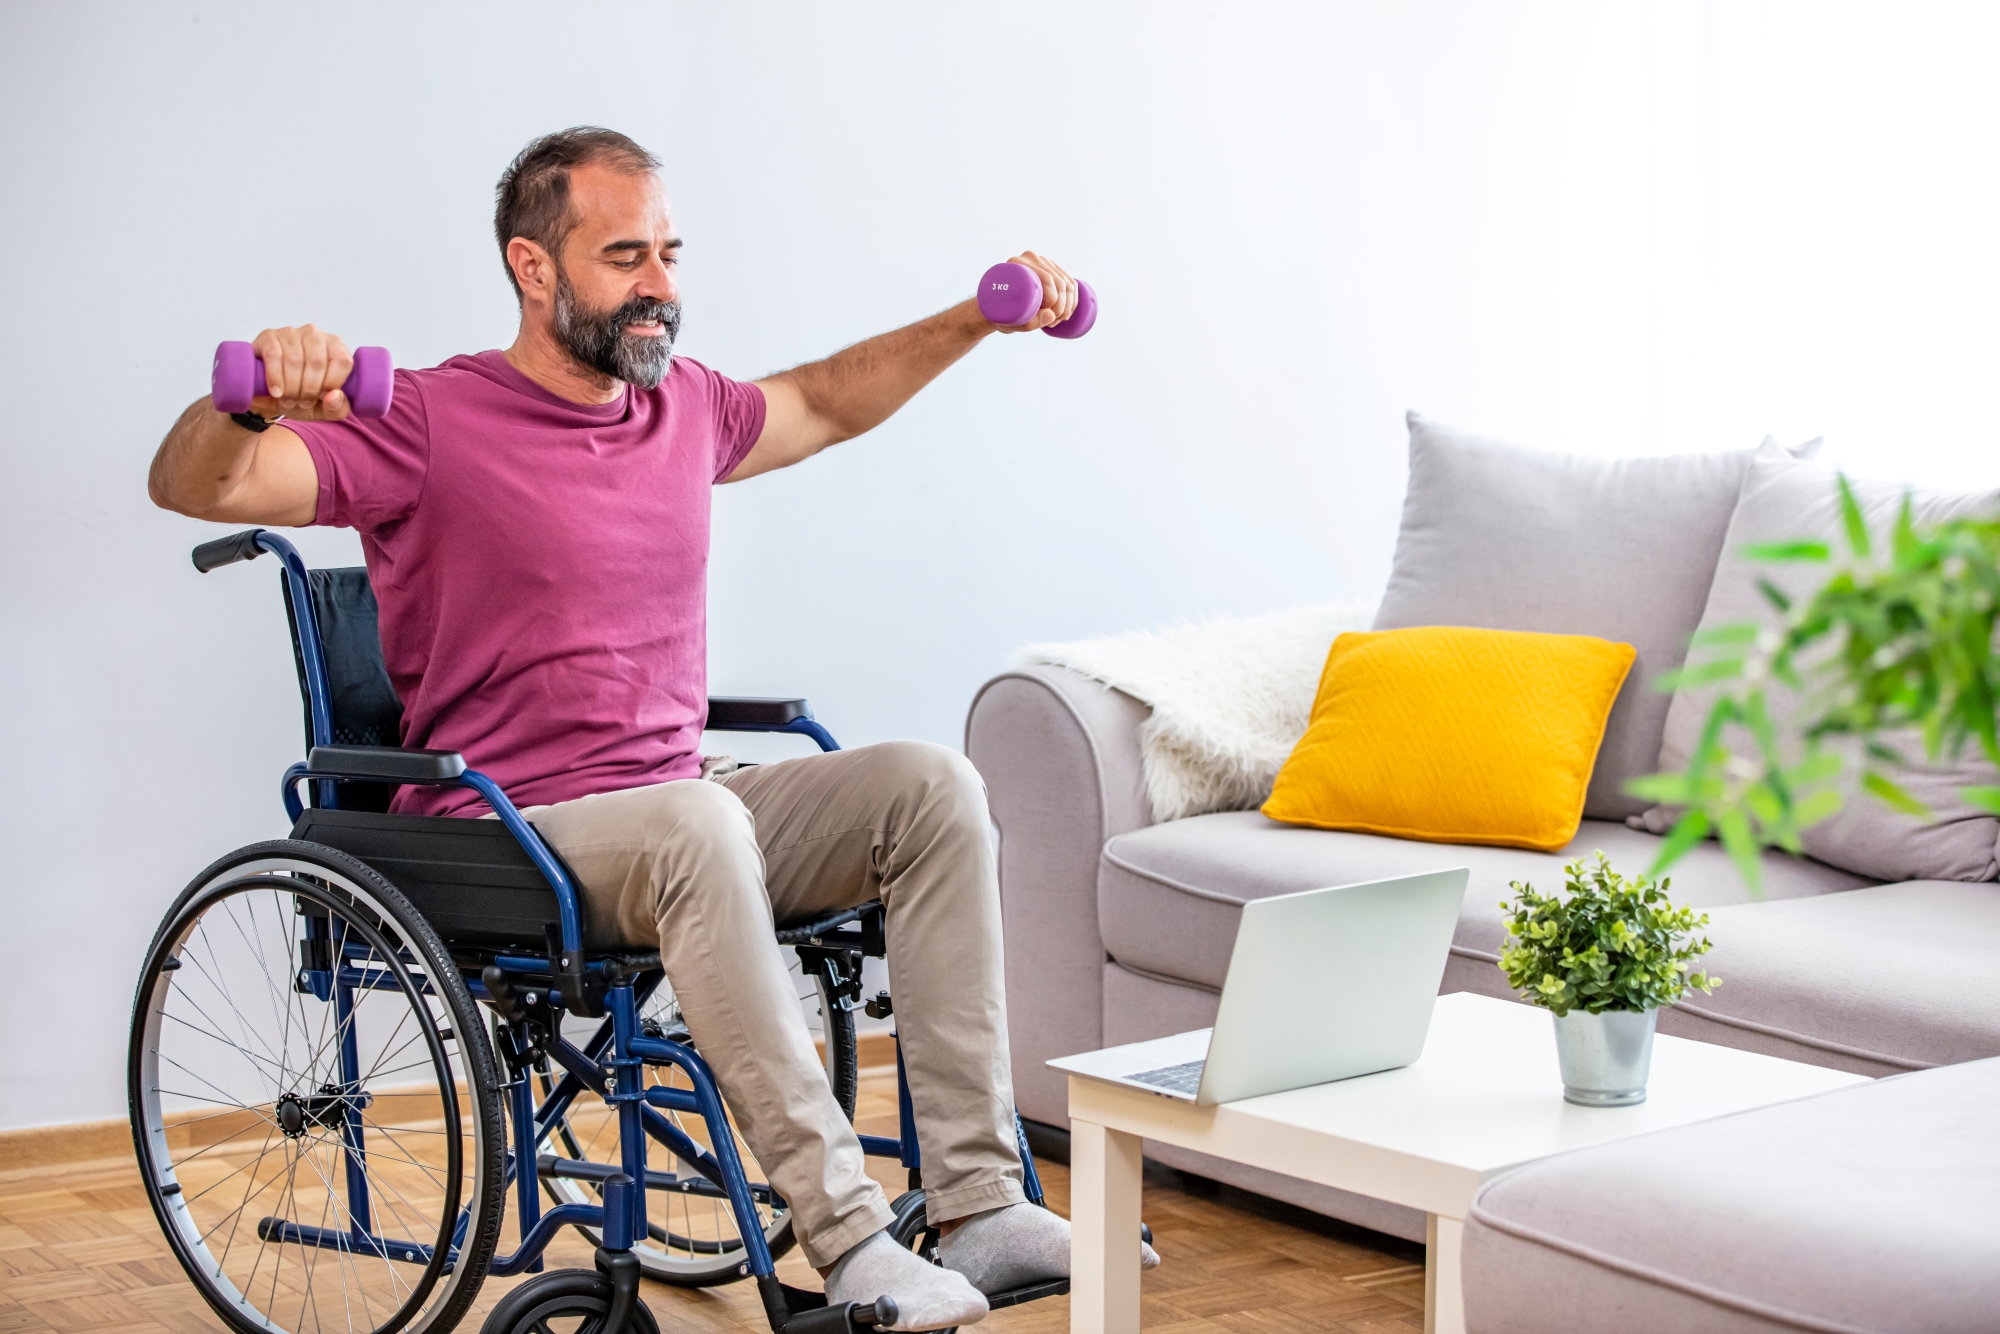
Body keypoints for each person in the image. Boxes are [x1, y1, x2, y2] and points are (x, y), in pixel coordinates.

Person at [147, 126, 1158, 1331]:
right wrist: (245, 401)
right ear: (533, 267)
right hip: (503, 828)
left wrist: (976, 319)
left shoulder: (683, 408)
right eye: (625, 255)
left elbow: (828, 400)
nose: (661, 285)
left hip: (679, 803)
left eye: (669, 252)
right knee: (695, 824)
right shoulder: (426, 417)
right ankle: (847, 1237)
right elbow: (201, 485)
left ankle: (980, 1203)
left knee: (928, 783)